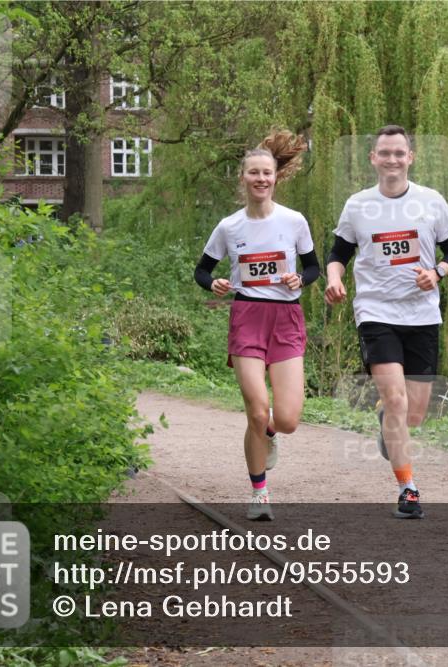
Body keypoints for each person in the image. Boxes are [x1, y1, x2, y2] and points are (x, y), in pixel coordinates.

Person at [325, 125, 448, 519]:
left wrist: (437, 272)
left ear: (410, 158)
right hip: (375, 312)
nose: (391, 159)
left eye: (399, 153)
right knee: (396, 398)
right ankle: (408, 489)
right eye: (384, 153)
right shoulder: (358, 206)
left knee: (414, 413)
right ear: (373, 158)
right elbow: (338, 253)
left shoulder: (431, 201)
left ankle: (389, 421)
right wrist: (335, 279)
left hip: (422, 313)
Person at [194, 130, 318, 521]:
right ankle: (259, 492)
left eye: (267, 172)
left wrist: (303, 279)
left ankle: (269, 436)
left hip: (286, 319)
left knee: (286, 420)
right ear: (243, 178)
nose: (261, 179)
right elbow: (202, 270)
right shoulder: (229, 227)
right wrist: (212, 283)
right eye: (253, 173)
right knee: (256, 408)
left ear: (276, 177)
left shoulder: (294, 221)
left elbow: (312, 265)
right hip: (247, 316)